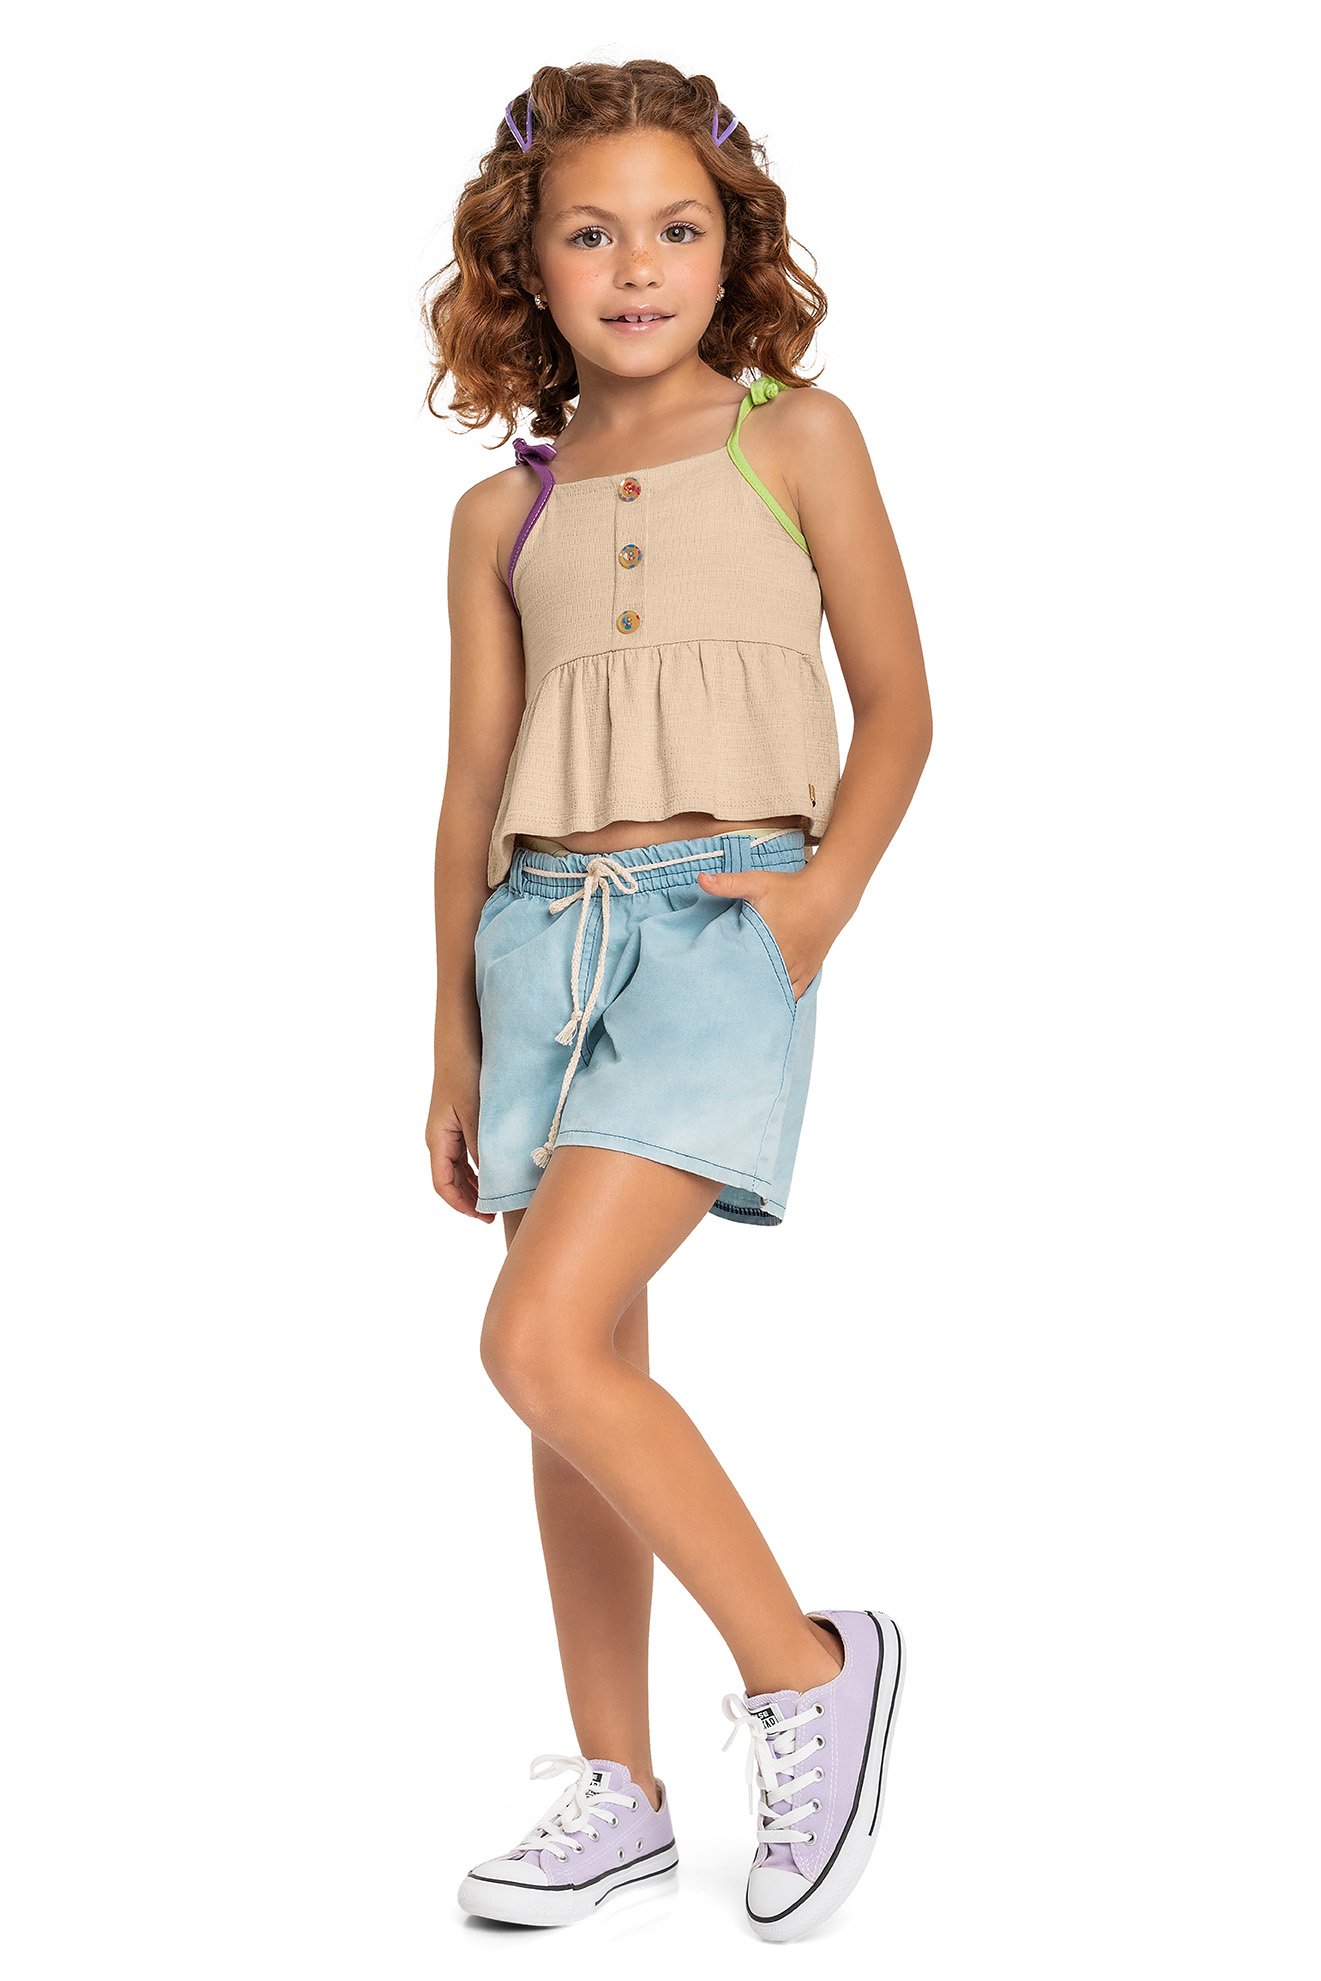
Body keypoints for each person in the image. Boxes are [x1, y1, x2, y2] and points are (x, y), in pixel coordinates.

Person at [421, 58, 932, 1942]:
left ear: (734, 247)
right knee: (581, 1379)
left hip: (720, 927)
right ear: (526, 263)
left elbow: (901, 705)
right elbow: (470, 789)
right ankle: (619, 1788)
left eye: (675, 227)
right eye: (590, 232)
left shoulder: (798, 439)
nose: (636, 265)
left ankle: (806, 1667)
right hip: (538, 938)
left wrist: (815, 904)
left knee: (536, 1338)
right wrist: (453, 1037)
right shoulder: (503, 513)